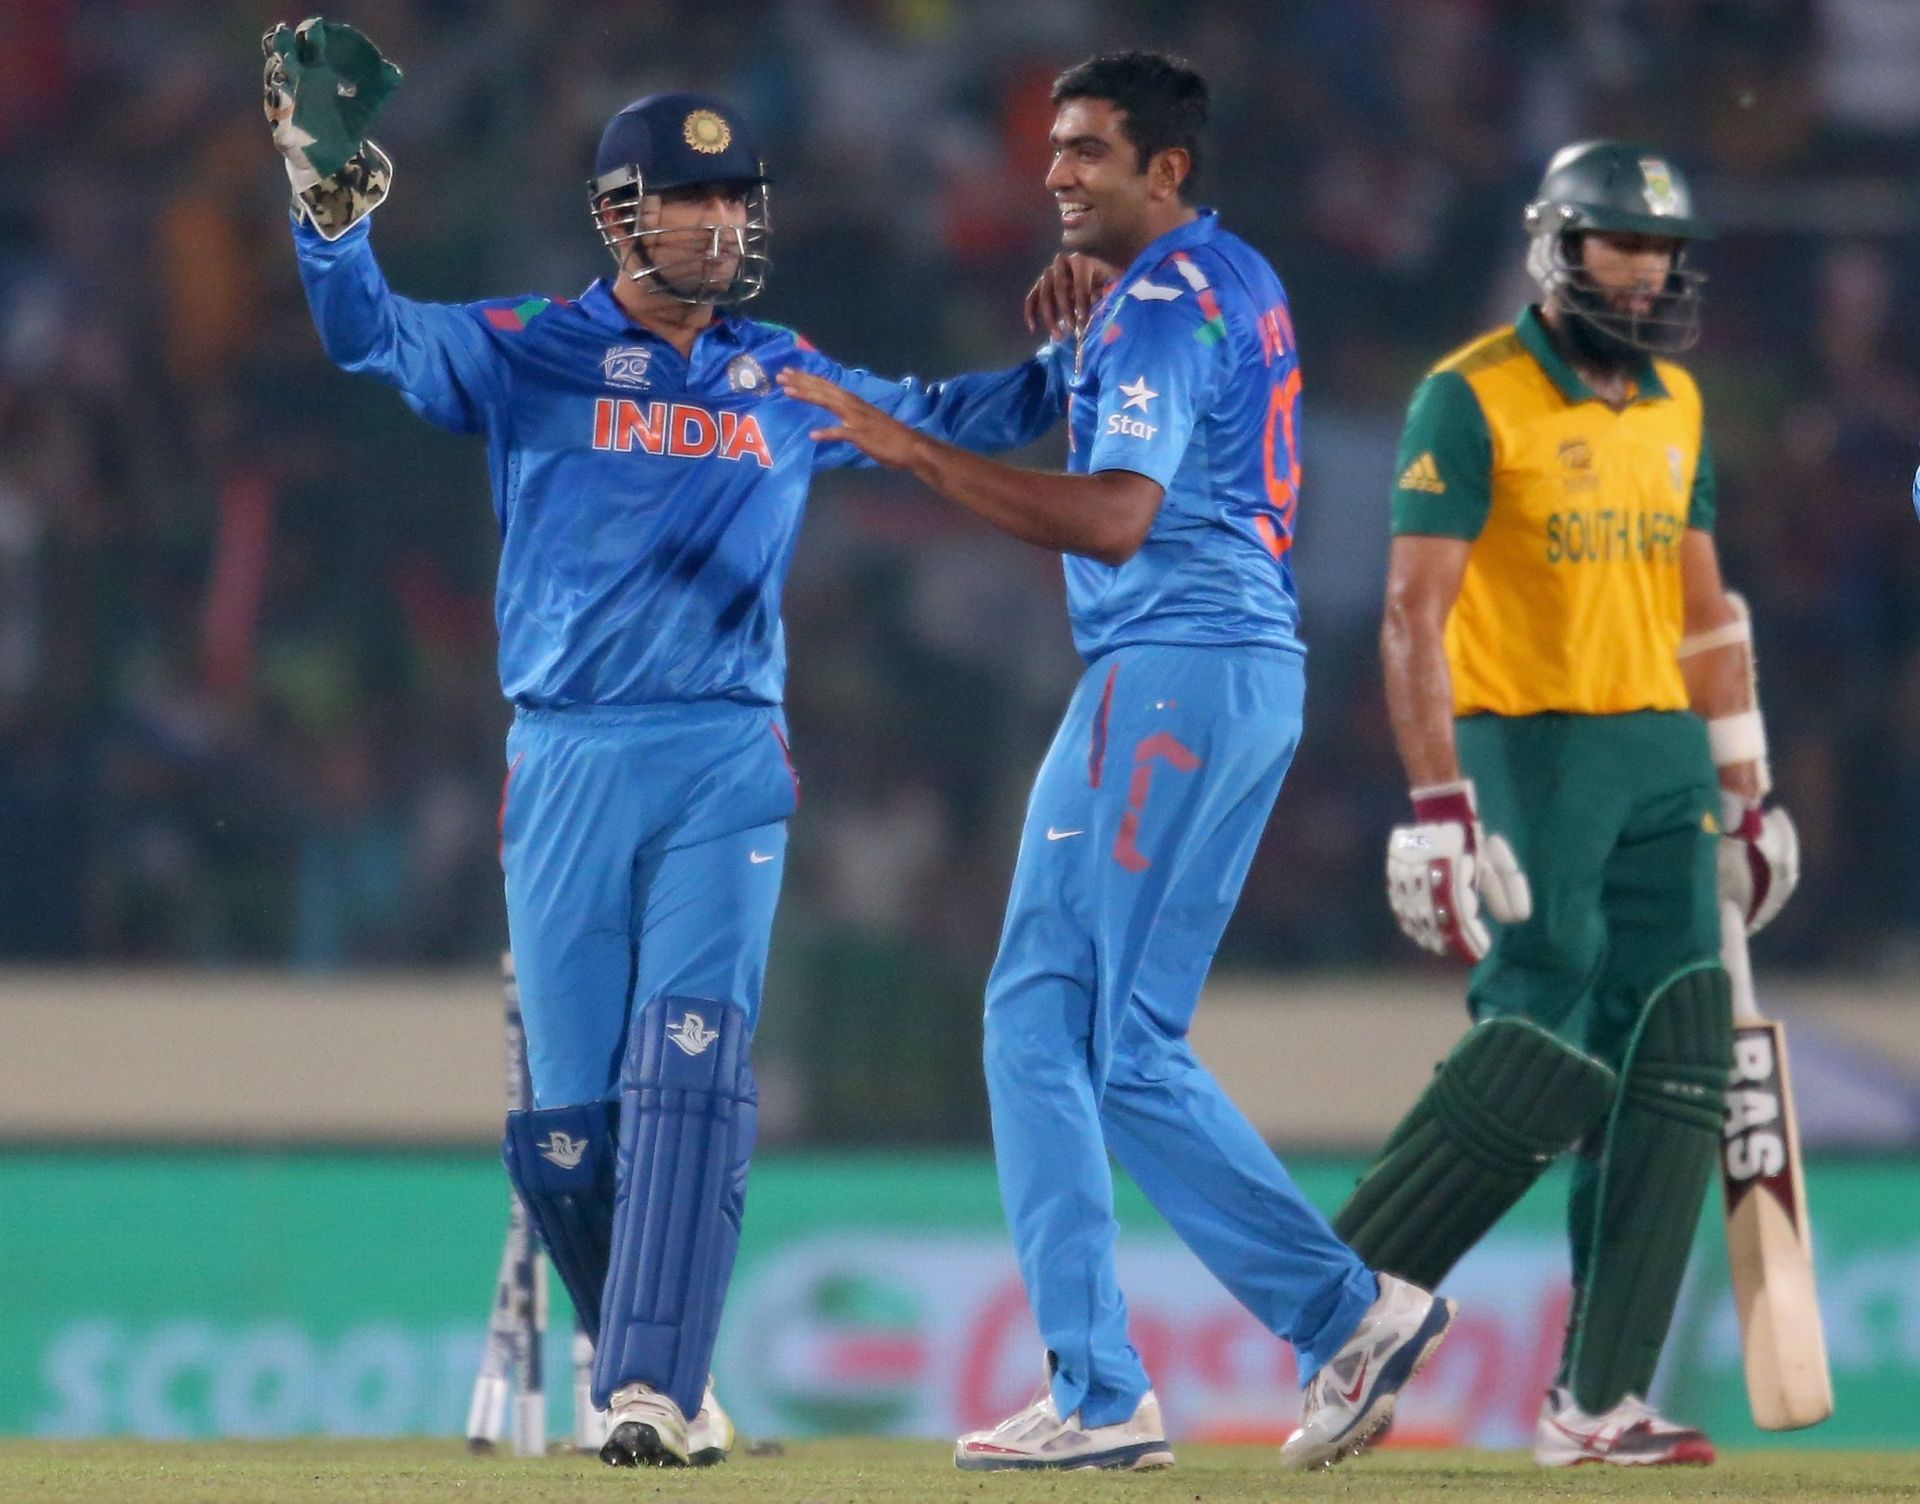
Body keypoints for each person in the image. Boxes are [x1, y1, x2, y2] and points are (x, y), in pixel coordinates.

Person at [262, 19, 1071, 1469]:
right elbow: (367, 334)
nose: (720, 221)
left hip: (726, 755)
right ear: (620, 215)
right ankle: (660, 1377)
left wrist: (1085, 351)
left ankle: (642, 1391)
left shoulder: (785, 372)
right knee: (567, 1137)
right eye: (690, 199)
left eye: (737, 199)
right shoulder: (532, 354)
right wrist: (334, 215)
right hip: (568, 756)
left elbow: (953, 418)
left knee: (690, 1068)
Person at [778, 50, 1453, 1474]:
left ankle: (1110, 1390)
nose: (1057, 173)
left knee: (1048, 1022)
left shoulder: (1154, 306)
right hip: (1235, 676)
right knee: (1108, 1040)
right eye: (1052, 149)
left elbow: (1112, 516)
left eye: (1090, 151)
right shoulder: (1228, 277)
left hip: (1167, 669)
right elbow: (1031, 413)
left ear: (1168, 170)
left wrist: (902, 450)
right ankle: (1330, 1319)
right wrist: (844, 398)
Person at [1334, 140, 1800, 1467]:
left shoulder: (1679, 405)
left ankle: (1597, 1403)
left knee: (1676, 1058)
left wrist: (1749, 786)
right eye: (1619, 242)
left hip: (1661, 754)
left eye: (1662, 248)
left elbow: (1704, 610)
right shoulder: (1468, 397)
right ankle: (1337, 1309)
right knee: (1545, 1043)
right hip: (1528, 749)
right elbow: (1412, 614)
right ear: (1557, 244)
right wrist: (1437, 803)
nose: (1647, 269)